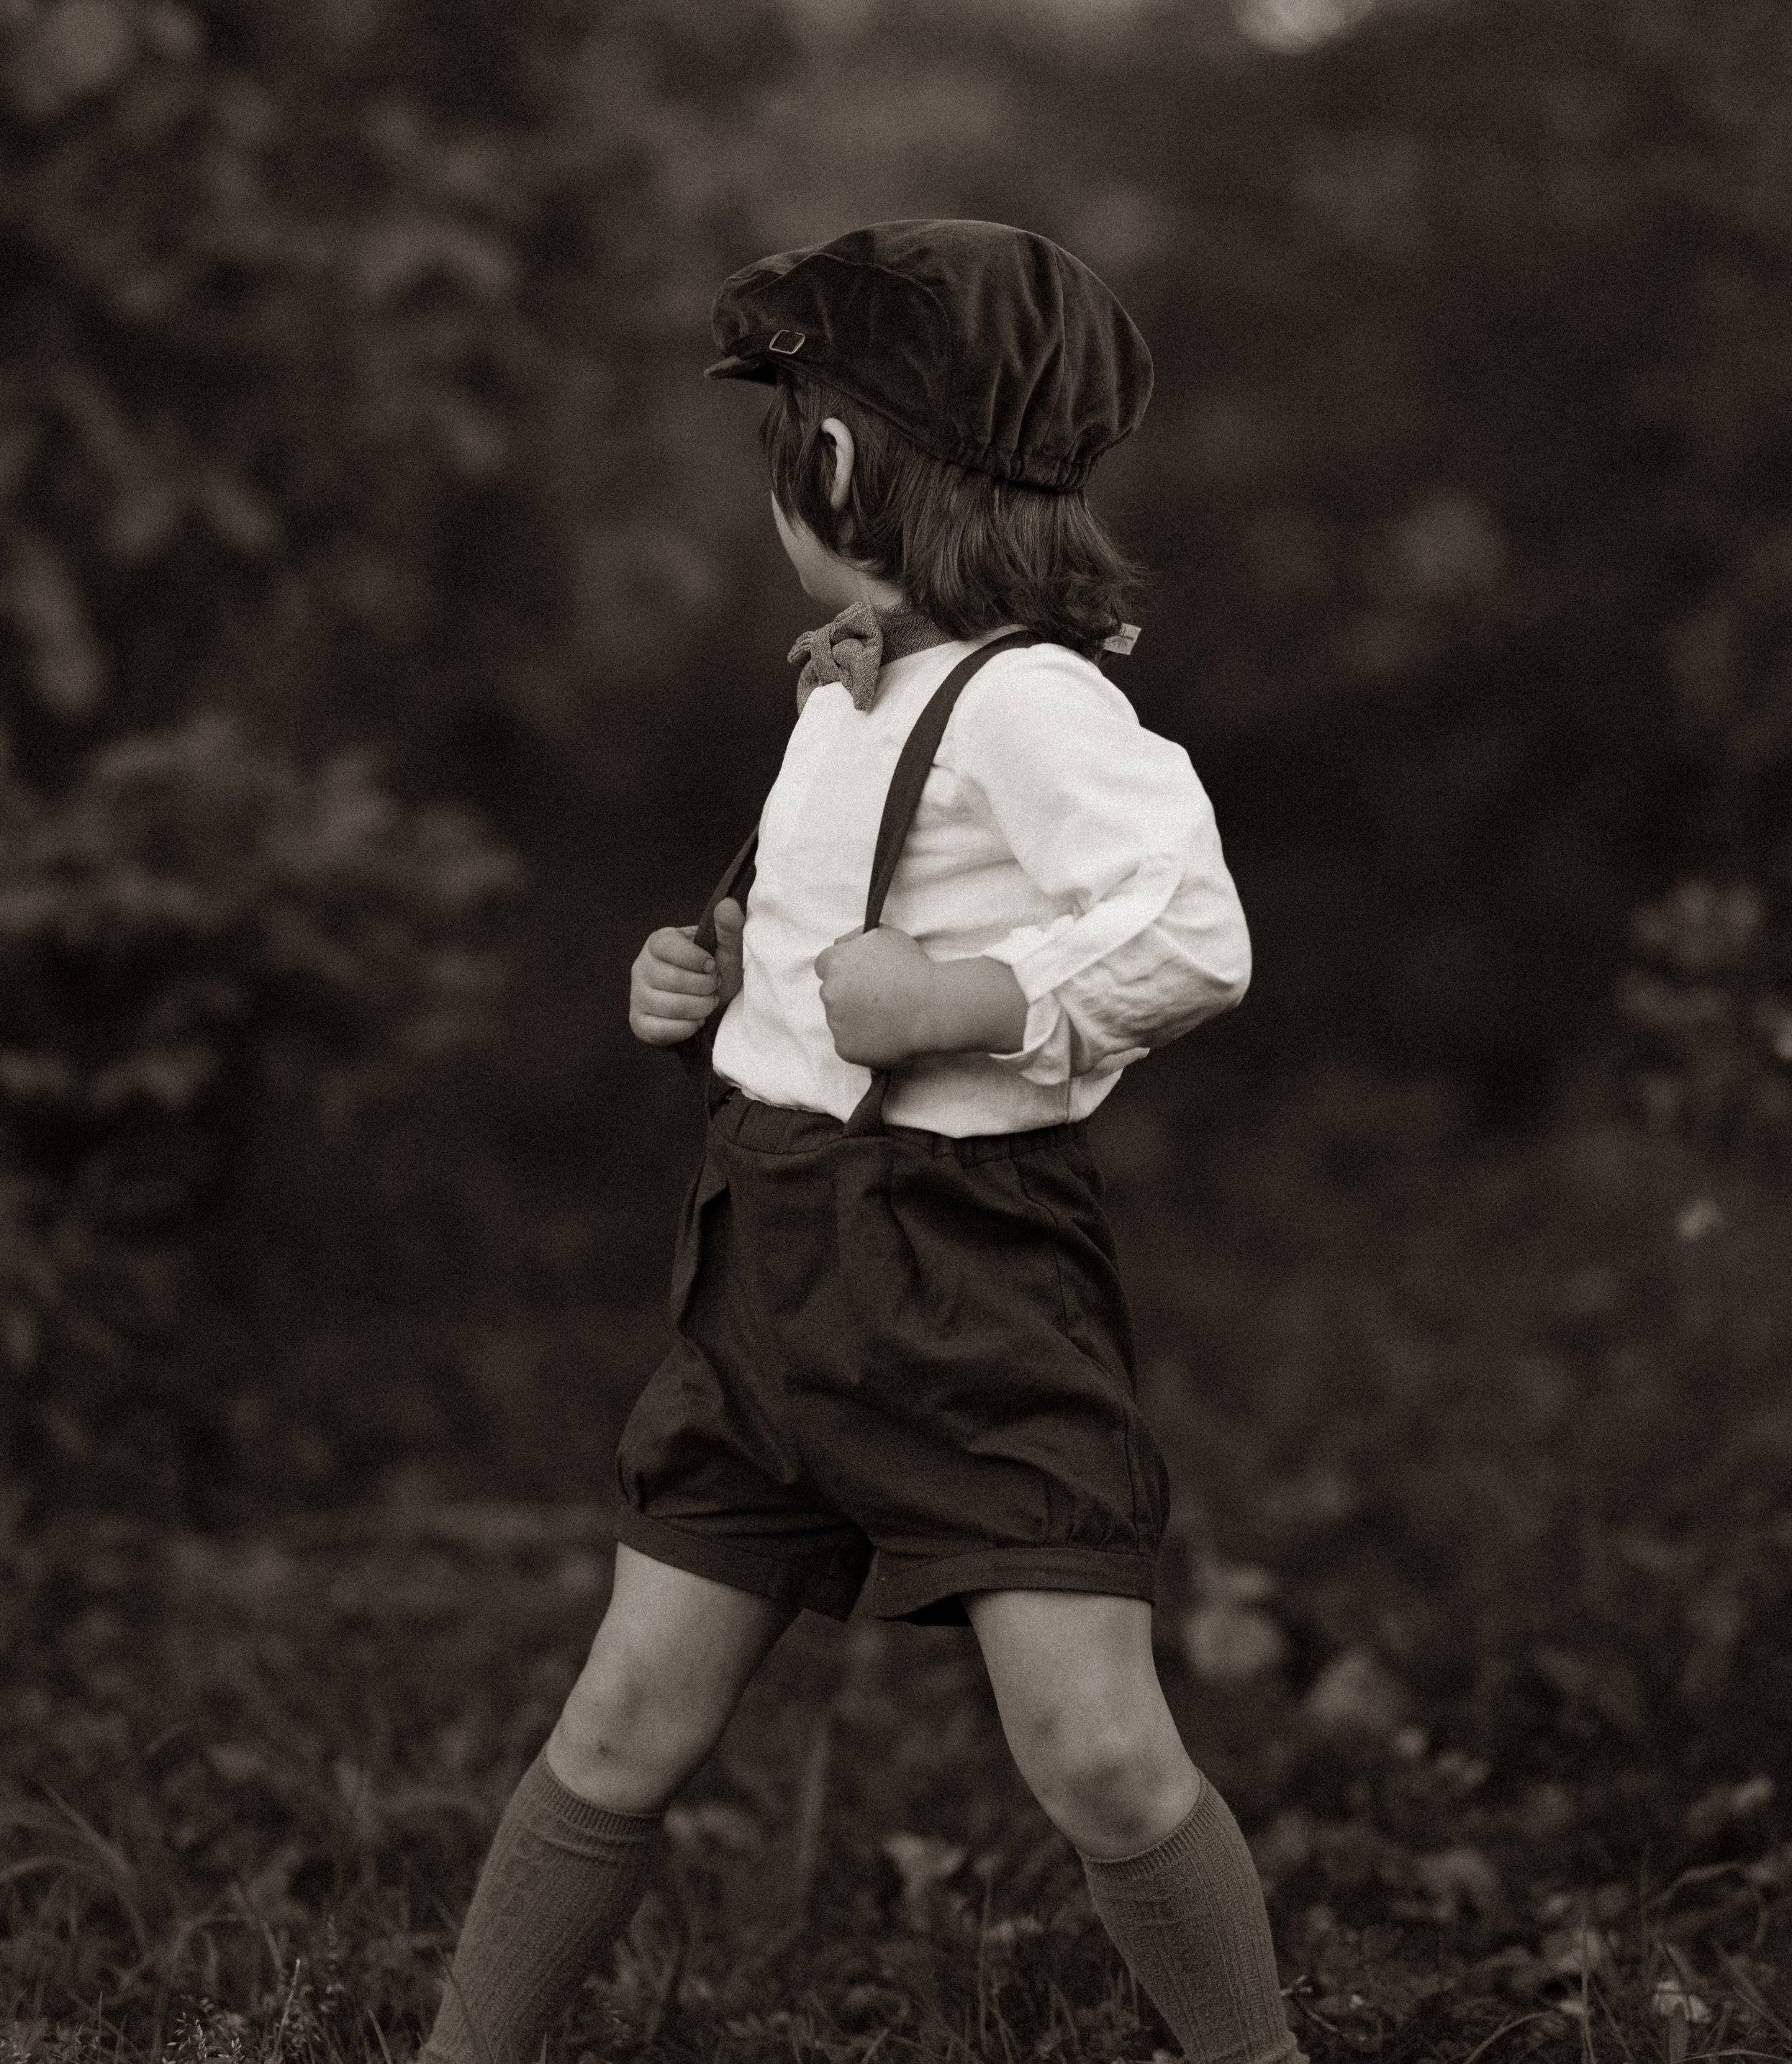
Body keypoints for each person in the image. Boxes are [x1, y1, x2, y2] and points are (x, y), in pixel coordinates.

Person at [419, 219, 1301, 2064]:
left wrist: (974, 1000)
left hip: (961, 1281)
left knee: (1104, 1755)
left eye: (786, 447)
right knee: (621, 1723)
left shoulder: (1036, 704)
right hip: (770, 1264)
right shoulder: (858, 681)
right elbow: (840, 943)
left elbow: (1192, 931)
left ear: (833, 467)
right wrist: (716, 977)